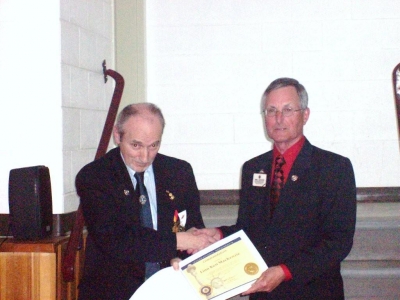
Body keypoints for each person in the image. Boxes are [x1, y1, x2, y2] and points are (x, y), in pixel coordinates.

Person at [196, 77, 357, 299]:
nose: (278, 118)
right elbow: (250, 230)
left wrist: (285, 272)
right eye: (271, 111)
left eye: (288, 109)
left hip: (312, 292)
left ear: (305, 115)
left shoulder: (334, 168)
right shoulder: (253, 168)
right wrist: (220, 234)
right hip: (264, 292)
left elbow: (338, 242)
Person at [76, 103, 215, 300]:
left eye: (153, 146)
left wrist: (181, 255)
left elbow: (187, 224)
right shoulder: (95, 176)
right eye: (136, 145)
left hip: (171, 290)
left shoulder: (179, 172)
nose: (145, 156)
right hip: (114, 292)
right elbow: (116, 239)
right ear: (118, 135)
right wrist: (179, 241)